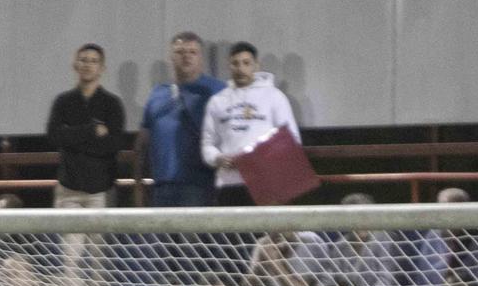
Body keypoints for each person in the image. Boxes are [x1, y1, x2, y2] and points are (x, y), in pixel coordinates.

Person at [201, 42, 300, 204]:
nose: (240, 69)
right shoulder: (217, 102)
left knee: (268, 229)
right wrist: (218, 158)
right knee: (232, 230)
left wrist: (259, 158)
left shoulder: (274, 97)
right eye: (235, 63)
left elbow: (292, 139)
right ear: (229, 66)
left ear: (256, 65)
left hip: (266, 182)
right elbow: (207, 144)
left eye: (246, 63)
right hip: (229, 183)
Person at [135, 32, 226, 207]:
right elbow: (142, 143)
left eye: (192, 52)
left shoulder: (217, 91)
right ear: (171, 58)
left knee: (193, 235)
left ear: (201, 58)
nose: (186, 57)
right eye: (180, 52)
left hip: (200, 185)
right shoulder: (157, 94)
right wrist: (138, 187)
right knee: (160, 235)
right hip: (162, 185)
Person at [46, 43, 125, 210]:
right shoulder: (64, 101)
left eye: (93, 61)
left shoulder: (112, 104)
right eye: (83, 60)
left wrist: (72, 138)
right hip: (68, 187)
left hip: (100, 188)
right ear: (75, 65)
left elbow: (113, 144)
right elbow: (54, 136)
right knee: (70, 237)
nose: (88, 65)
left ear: (102, 68)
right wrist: (91, 130)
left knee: (98, 237)